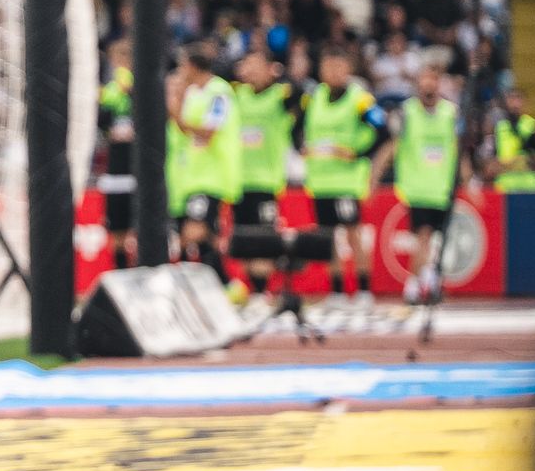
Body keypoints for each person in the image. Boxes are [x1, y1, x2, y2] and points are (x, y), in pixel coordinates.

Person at [295, 47, 384, 298]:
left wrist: (356, 154)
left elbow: (383, 131)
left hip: (347, 181)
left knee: (353, 234)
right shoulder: (313, 97)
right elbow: (296, 129)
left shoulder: (360, 98)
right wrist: (300, 147)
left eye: (338, 67)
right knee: (328, 238)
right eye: (328, 66)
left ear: (348, 69)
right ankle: (336, 291)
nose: (333, 72)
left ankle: (364, 290)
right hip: (320, 180)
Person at [381, 63, 465, 304]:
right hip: (417, 188)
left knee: (436, 242)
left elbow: (459, 149)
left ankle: (427, 284)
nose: (428, 83)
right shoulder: (406, 112)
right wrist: (376, 174)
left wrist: (468, 179)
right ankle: (414, 287)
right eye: (424, 79)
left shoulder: (451, 113)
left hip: (442, 187)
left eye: (433, 79)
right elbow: (392, 146)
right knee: (423, 237)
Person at [227, 50, 295, 304]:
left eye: (256, 66)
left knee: (264, 238)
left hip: (265, 181)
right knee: (243, 240)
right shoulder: (237, 95)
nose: (250, 71)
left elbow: (299, 92)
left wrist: (279, 74)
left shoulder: (279, 95)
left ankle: (261, 291)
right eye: (247, 65)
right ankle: (252, 289)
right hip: (238, 180)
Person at [163, 42, 235, 267]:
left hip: (211, 176)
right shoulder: (193, 93)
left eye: (183, 65)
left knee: (193, 232)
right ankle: (221, 282)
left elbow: (208, 132)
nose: (180, 71)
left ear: (194, 66)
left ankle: (215, 280)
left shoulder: (219, 92)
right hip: (189, 178)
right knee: (199, 235)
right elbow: (185, 131)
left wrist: (177, 113)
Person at [93, 62, 137, 263]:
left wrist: (131, 94)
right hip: (115, 173)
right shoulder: (110, 92)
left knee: (139, 230)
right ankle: (122, 273)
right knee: (117, 231)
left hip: (138, 173)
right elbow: (101, 122)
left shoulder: (144, 93)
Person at [486, 84, 535, 198]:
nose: (515, 104)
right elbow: (490, 160)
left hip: (528, 187)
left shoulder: (530, 126)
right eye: (511, 99)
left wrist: (525, 162)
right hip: (505, 187)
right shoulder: (499, 128)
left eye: (518, 99)